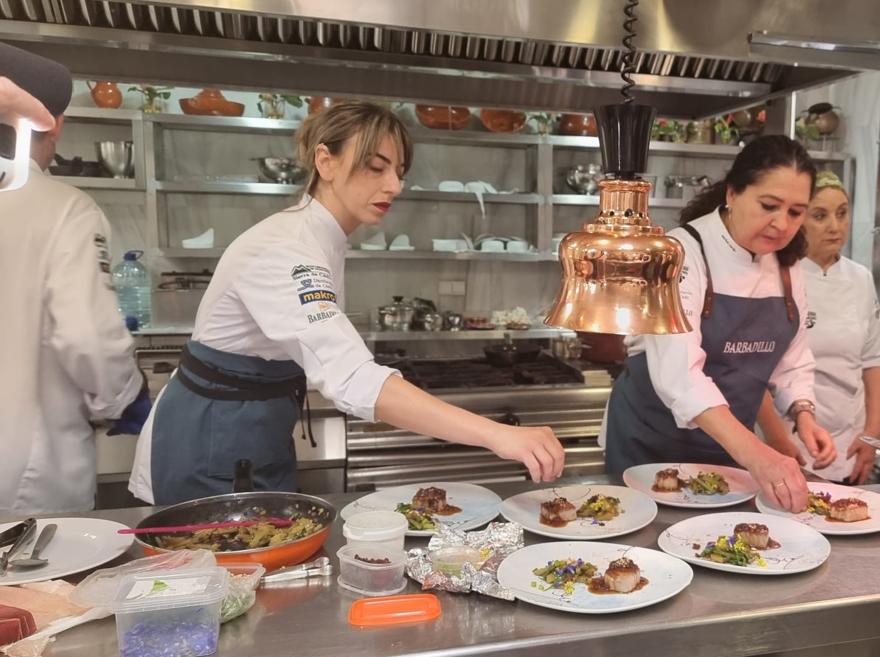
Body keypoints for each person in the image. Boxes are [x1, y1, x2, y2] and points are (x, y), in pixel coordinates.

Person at [129, 102, 564, 504]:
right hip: (211, 443)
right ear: (326, 161)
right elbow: (352, 378)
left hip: (253, 434)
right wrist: (497, 435)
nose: (394, 185)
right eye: (376, 168)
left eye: (399, 171)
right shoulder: (287, 249)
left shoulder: (325, 240)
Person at [602, 135, 837, 513]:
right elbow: (679, 377)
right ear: (732, 193)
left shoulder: (788, 265)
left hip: (730, 447)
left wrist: (803, 415)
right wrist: (757, 453)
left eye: (796, 212)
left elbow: (793, 359)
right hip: (650, 443)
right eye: (769, 206)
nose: (782, 224)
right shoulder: (680, 252)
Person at [0, 43, 150, 514]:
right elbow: (88, 337)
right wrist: (126, 399)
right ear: (54, 124)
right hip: (25, 477)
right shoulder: (60, 207)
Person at [758, 172, 880, 484]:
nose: (835, 226)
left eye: (842, 213)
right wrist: (779, 444)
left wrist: (871, 435)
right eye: (820, 215)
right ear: (798, 220)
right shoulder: (770, 275)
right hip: (785, 440)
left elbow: (874, 360)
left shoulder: (860, 279)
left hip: (849, 446)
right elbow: (754, 373)